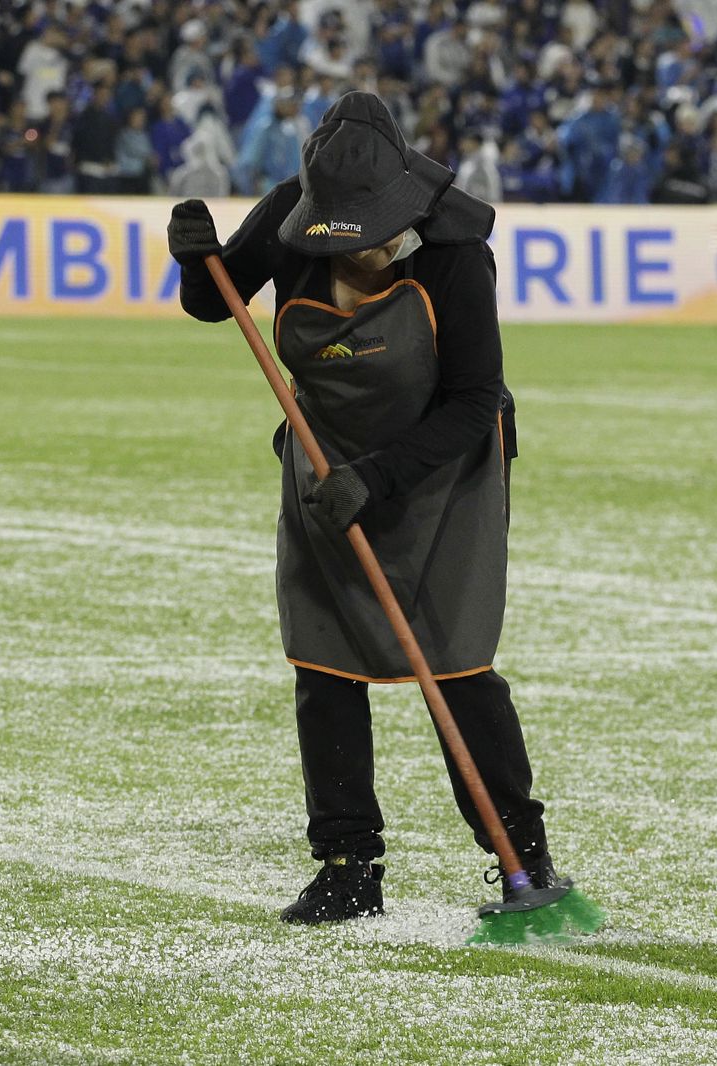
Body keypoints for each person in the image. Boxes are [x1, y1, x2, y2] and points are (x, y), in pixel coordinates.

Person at [166, 91, 568, 925]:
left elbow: (472, 400)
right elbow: (218, 300)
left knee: (456, 668)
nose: (366, 251)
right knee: (325, 664)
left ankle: (523, 859)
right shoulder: (285, 218)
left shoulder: (456, 252)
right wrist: (193, 259)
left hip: (440, 478)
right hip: (324, 465)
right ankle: (348, 867)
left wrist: (380, 479)